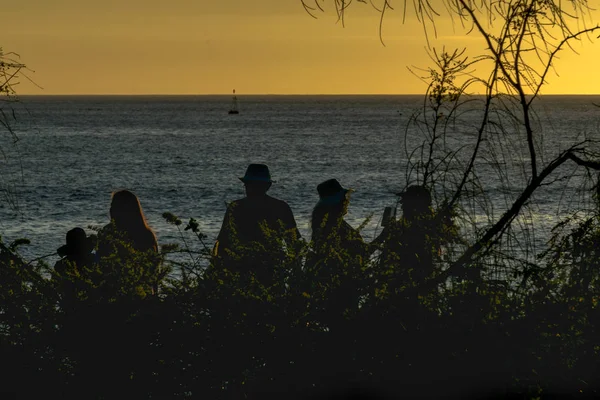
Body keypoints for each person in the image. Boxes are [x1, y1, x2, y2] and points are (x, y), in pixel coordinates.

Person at [214, 163, 301, 261]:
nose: (251, 188)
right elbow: (294, 244)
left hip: (242, 266)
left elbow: (222, 244)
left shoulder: (236, 207)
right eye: (249, 185)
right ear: (268, 186)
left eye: (255, 185)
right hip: (270, 267)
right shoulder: (281, 207)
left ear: (267, 186)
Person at [97, 189, 161, 295]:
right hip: (136, 294)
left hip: (120, 294)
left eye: (115, 206)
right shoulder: (146, 234)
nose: (111, 209)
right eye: (111, 206)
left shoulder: (109, 233)